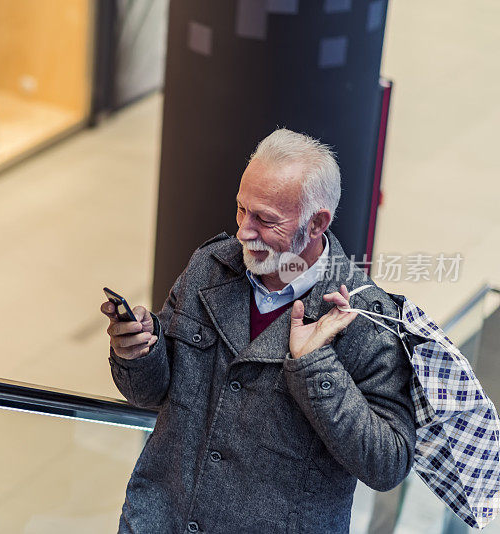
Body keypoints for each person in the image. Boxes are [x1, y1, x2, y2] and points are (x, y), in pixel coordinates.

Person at [101, 128, 416, 533]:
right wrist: (140, 353)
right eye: (241, 210)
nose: (243, 232)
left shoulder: (364, 316)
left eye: (265, 220)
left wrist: (315, 366)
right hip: (159, 521)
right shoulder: (208, 267)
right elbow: (151, 393)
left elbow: (387, 463)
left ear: (317, 222)